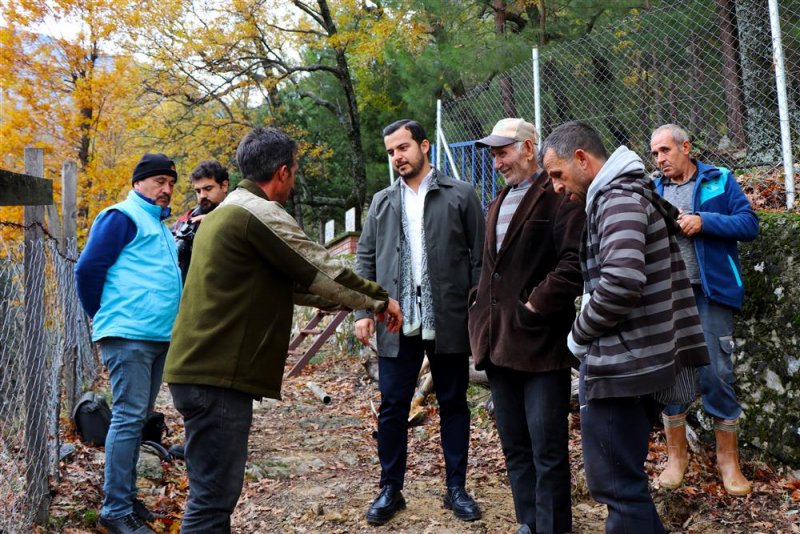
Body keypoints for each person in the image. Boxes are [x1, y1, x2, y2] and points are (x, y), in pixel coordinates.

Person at [162, 126, 402, 533]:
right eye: (294, 172)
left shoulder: (228, 211)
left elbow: (288, 283)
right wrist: (379, 299)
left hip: (200, 372)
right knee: (211, 501)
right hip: (216, 376)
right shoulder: (259, 213)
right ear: (284, 171)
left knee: (212, 496)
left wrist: (344, 302)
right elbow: (321, 269)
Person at [540, 121, 709, 533]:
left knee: (616, 485)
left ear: (582, 159)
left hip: (625, 367)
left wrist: (578, 336)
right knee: (623, 485)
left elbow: (619, 283)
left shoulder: (616, 199)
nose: (557, 187)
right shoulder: (625, 193)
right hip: (637, 359)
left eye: (558, 175)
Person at [355, 119, 485, 526]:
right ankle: (390, 489)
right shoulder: (380, 202)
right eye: (392, 151)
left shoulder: (461, 194)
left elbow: (481, 259)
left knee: (452, 403)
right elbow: (365, 259)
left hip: (447, 317)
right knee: (393, 406)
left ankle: (456, 488)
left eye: (404, 147)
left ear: (424, 146)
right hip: (396, 321)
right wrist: (363, 311)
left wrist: (477, 313)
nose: (398, 156)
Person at [469, 118, 584, 534]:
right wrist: (476, 311)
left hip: (541, 345)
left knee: (547, 449)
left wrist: (535, 305)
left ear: (529, 148)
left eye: (504, 151)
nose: (498, 161)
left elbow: (574, 264)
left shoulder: (559, 196)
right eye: (494, 154)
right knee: (515, 446)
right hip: (498, 345)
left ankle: (553, 528)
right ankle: (529, 523)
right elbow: (489, 269)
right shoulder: (497, 200)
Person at [75, 153, 183, 534]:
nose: (166, 189)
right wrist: (102, 314)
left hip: (155, 336)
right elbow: (88, 268)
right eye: (159, 182)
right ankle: (115, 509)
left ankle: (127, 498)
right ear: (139, 182)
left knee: (136, 419)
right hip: (129, 335)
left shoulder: (159, 225)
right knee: (126, 418)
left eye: (171, 183)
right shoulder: (121, 217)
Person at [650, 124, 759, 496]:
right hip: (667, 297)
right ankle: (676, 458)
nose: (660, 159)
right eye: (654, 154)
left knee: (716, 374)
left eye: (665, 150)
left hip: (711, 295)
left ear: (686, 146)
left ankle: (728, 460)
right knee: (670, 375)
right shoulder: (653, 189)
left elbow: (749, 224)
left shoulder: (719, 179)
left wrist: (703, 221)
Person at [171, 159, 230, 282]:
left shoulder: (240, 215)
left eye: (208, 188)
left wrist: (214, 222)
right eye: (198, 191)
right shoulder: (187, 221)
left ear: (224, 186)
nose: (202, 195)